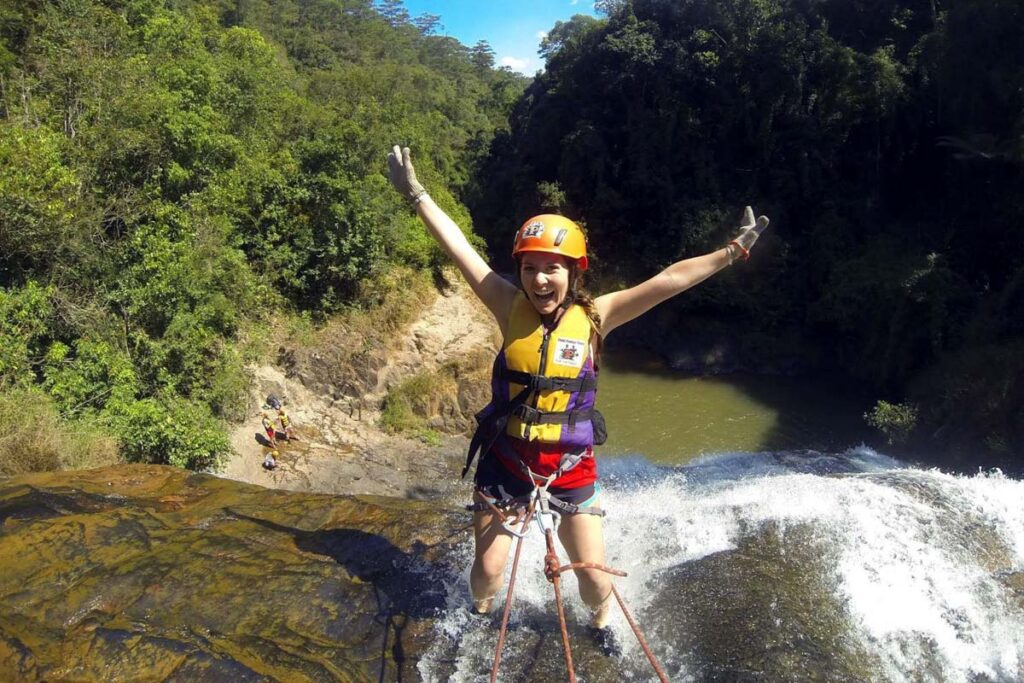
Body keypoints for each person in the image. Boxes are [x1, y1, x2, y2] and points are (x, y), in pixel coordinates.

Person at [387, 145, 769, 635]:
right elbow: (458, 247)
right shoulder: (506, 305)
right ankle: (479, 613)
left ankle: (601, 616)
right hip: (508, 460)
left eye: (552, 268)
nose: (540, 279)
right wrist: (417, 194)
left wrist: (731, 252)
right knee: (486, 572)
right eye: (530, 268)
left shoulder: (595, 317)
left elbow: (668, 280)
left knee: (592, 577)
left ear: (573, 272)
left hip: (569, 467)